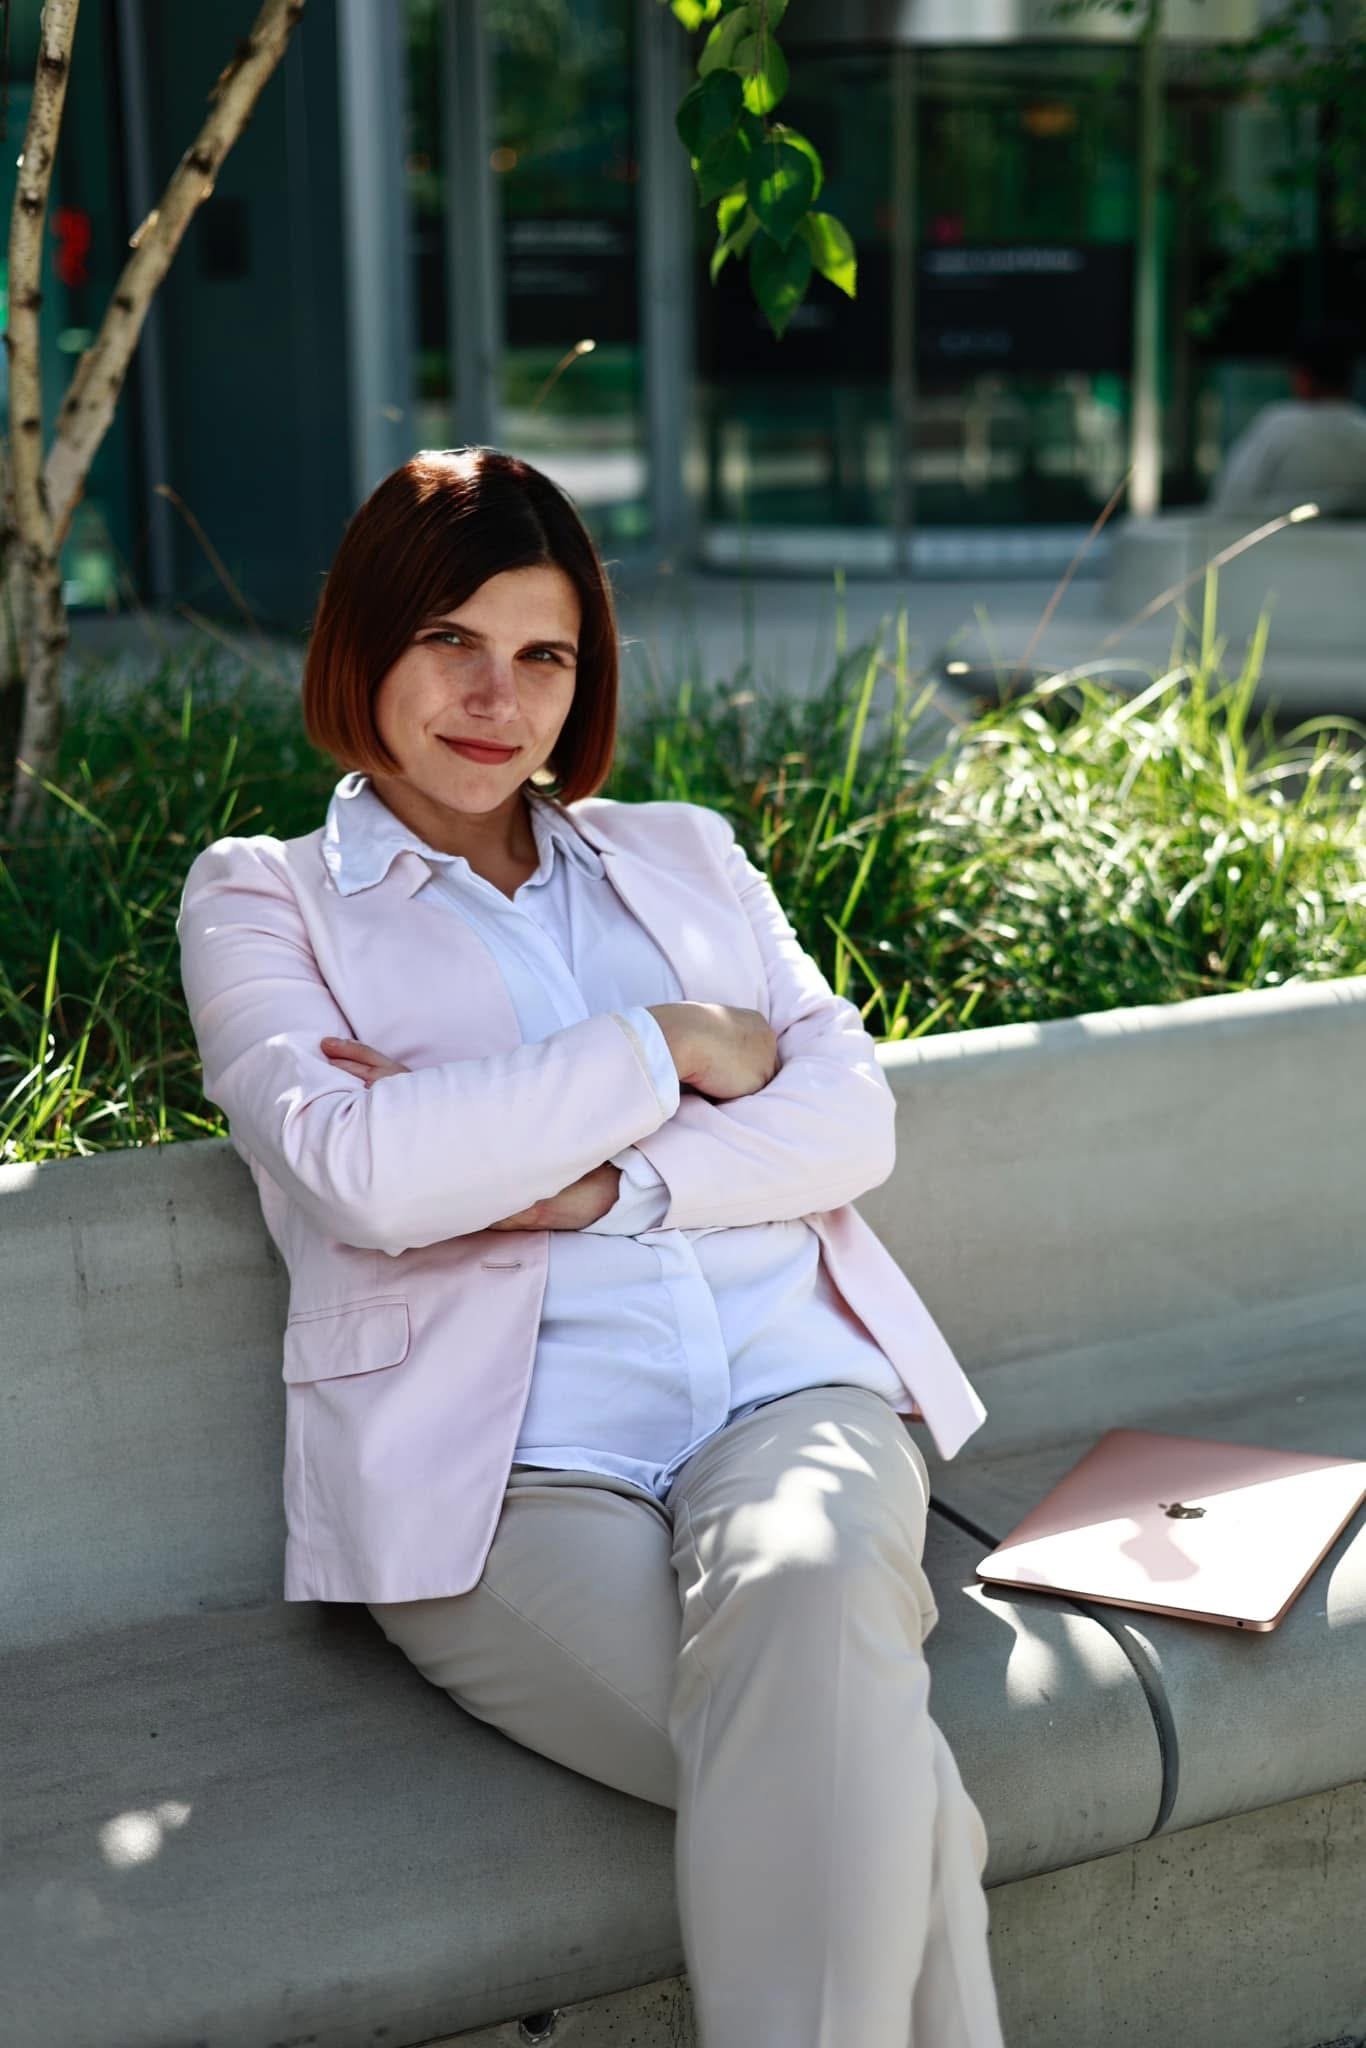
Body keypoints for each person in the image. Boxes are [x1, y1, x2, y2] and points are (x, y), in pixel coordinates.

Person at [175, 446, 1005, 2048]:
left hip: (786, 1396)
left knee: (809, 1597)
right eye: (450, 642)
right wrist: (668, 1044)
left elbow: (848, 1124)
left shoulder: (683, 854)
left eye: (542, 654)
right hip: (498, 1475)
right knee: (885, 1796)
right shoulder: (262, 900)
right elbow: (364, 1171)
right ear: (364, 645)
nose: (498, 698)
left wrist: (586, 1183)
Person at [1209, 323, 1366, 521]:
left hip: (1276, 539)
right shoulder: (1361, 430)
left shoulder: (1279, 427)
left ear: (1302, 377)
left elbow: (1228, 503)